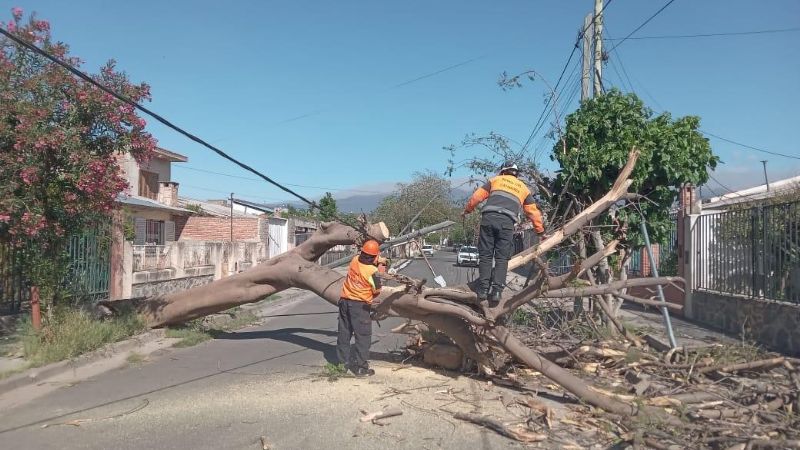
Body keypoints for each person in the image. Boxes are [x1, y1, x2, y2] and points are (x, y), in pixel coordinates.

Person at [462, 161, 546, 303]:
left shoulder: (495, 180)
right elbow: (533, 212)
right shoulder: (523, 188)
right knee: (502, 258)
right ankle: (496, 292)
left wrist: (467, 210)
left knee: (486, 256)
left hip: (488, 219)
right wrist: (540, 231)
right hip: (507, 223)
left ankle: (482, 290)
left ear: (503, 171)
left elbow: (476, 197)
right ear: (516, 174)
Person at [337, 239, 387, 377]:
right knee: (363, 337)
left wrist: (379, 261)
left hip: (344, 302)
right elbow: (377, 290)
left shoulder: (354, 260)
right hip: (360, 306)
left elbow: (367, 260)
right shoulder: (373, 271)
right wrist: (381, 269)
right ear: (375, 256)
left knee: (344, 334)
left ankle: (342, 366)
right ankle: (361, 368)